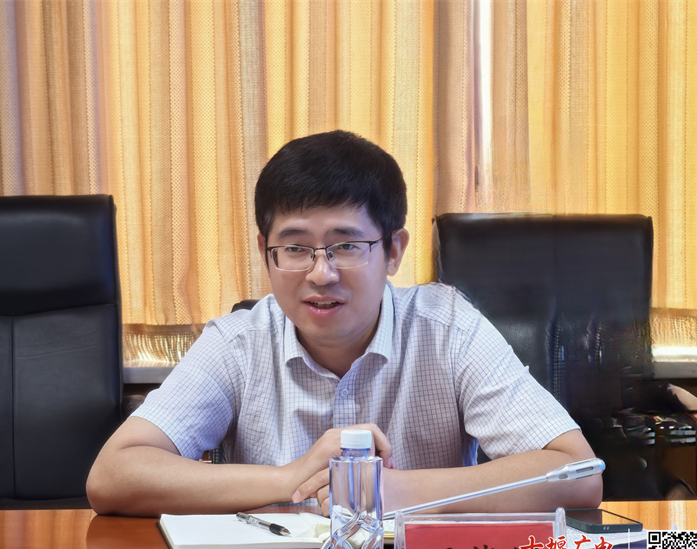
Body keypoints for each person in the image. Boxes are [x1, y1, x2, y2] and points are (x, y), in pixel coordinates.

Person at [87, 130, 602, 517]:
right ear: (265, 253)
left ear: (393, 250)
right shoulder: (237, 343)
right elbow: (112, 476)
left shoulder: (448, 328)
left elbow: (578, 474)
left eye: (347, 246)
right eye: (295, 248)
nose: (321, 273)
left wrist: (399, 491)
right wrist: (292, 478)